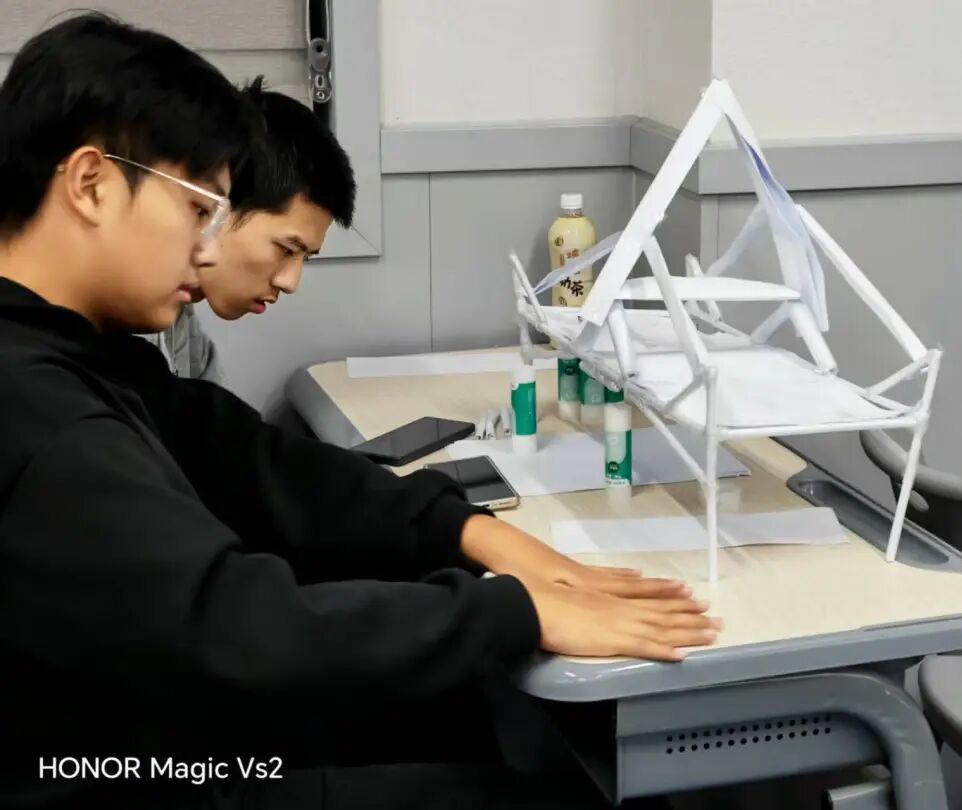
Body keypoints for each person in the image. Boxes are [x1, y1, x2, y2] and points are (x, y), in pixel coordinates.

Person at [0, 13, 720, 809]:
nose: (205, 250)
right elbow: (232, 625)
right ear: (91, 184)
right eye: (198, 210)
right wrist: (509, 610)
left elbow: (258, 462)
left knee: (466, 712)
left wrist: (468, 531)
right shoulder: (43, 412)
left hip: (158, 736)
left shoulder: (87, 355)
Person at [140, 77, 355, 382]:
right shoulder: (121, 321)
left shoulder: (178, 319)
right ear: (211, 204)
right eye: (286, 249)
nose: (290, 283)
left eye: (304, 257)